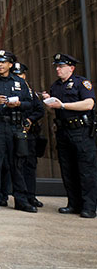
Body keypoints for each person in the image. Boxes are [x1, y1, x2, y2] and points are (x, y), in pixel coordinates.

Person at [0, 50, 36, 212]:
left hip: (15, 127)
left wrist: (18, 105)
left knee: (17, 164)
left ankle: (21, 200)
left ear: (10, 64)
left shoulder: (20, 82)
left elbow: (30, 103)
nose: (0, 64)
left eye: (3, 62)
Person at [43, 53, 97, 218]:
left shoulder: (81, 83)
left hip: (80, 131)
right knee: (68, 169)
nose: (57, 69)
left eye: (61, 66)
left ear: (71, 68)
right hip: (63, 131)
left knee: (86, 169)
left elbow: (89, 103)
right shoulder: (55, 86)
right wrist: (48, 102)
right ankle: (73, 203)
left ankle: (89, 206)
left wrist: (64, 105)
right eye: (56, 66)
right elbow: (53, 110)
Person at [11, 62, 46, 208]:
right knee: (13, 166)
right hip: (12, 132)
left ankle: (30, 196)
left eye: (20, 75)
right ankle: (12, 196)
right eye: (15, 75)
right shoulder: (9, 90)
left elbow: (40, 110)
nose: (18, 77)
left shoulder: (30, 93)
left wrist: (30, 120)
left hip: (28, 134)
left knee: (29, 166)